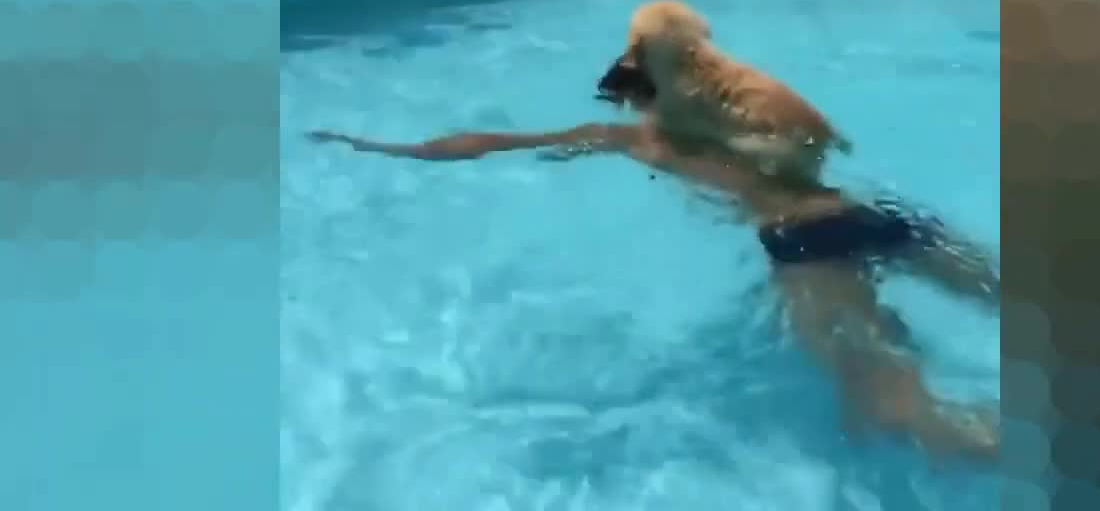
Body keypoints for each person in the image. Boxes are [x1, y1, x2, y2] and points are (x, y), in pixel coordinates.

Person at [306, 118, 1001, 460]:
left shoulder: (637, 136)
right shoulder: (767, 127)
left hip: (803, 242)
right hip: (874, 212)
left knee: (889, 405)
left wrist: (388, 150)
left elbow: (487, 141)